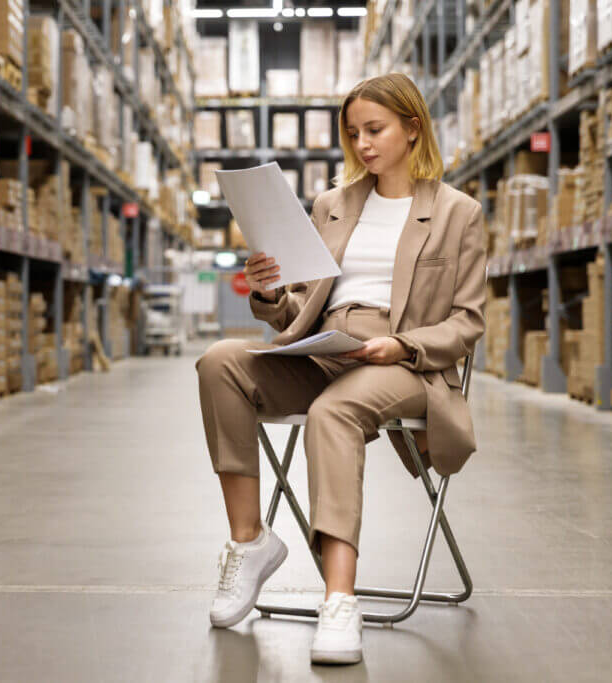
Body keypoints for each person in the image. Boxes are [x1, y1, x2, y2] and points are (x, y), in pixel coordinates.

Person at [195, 72, 486, 665]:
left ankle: (339, 600)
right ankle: (249, 542)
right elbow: (300, 310)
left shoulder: (459, 213)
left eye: (375, 130)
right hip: (324, 346)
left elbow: (467, 322)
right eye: (353, 133)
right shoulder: (332, 205)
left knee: (334, 412)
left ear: (412, 127)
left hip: (403, 361)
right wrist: (272, 294)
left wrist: (401, 346)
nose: (362, 144)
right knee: (219, 362)